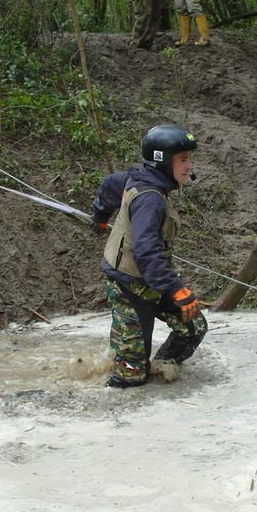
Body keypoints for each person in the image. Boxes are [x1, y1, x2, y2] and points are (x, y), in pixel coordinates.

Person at [91, 125, 208, 388]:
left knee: (193, 327)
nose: (189, 166)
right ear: (162, 161)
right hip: (128, 287)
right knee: (131, 378)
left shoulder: (141, 178)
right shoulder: (150, 199)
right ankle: (126, 377)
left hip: (153, 281)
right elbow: (145, 253)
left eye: (190, 158)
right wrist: (177, 290)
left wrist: (100, 216)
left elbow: (111, 184)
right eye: (183, 159)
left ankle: (159, 366)